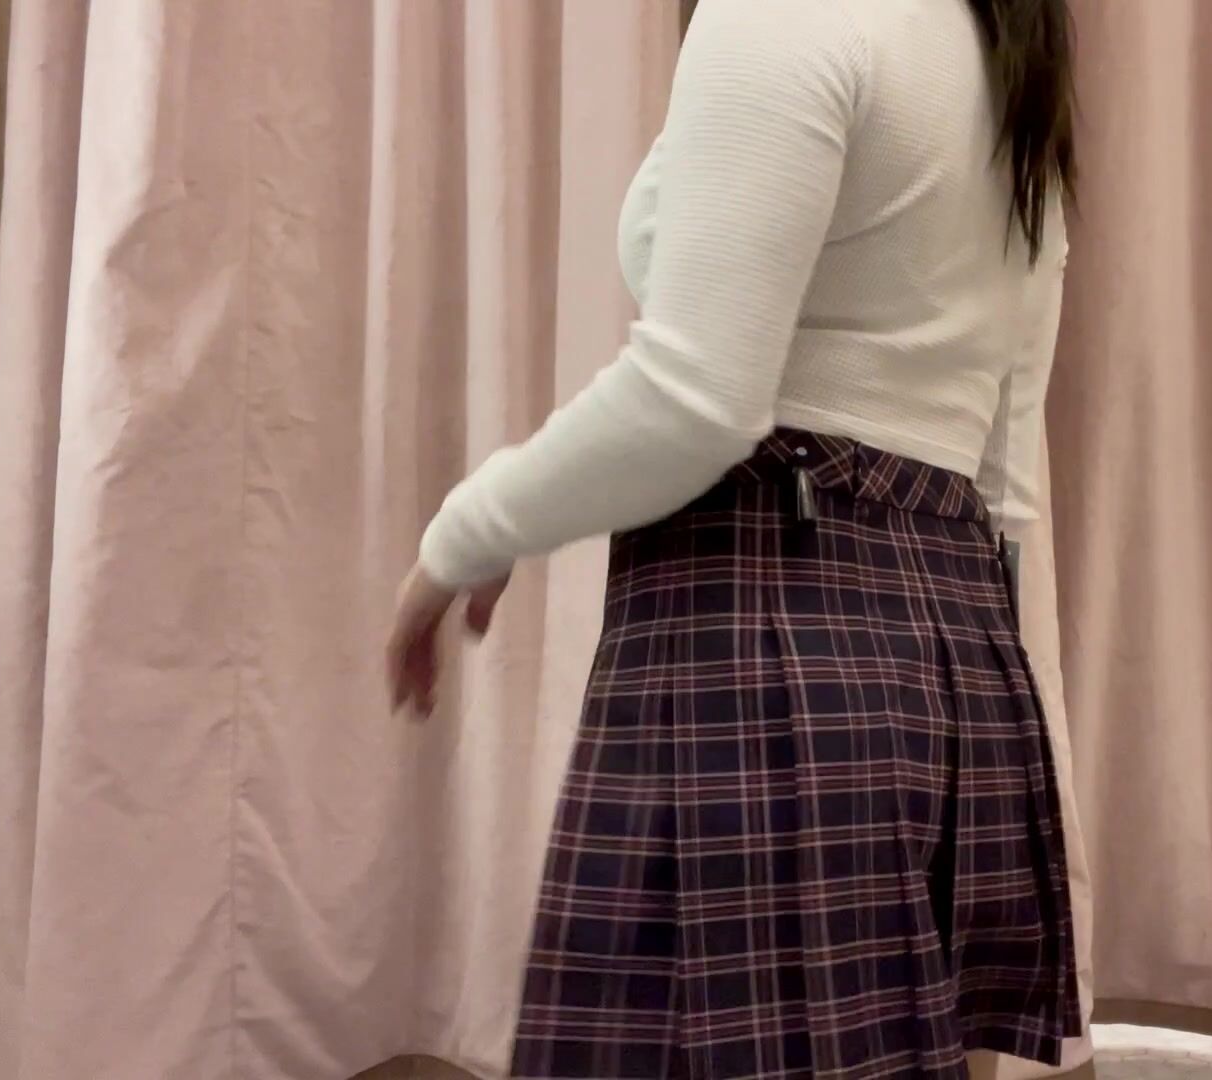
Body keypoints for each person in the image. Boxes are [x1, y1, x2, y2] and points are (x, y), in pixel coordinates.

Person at [385, 0, 1079, 1075]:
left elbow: (696, 402)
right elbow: (1003, 475)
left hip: (761, 635)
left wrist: (464, 535)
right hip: (958, 653)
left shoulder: (786, 14)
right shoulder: (1000, 48)